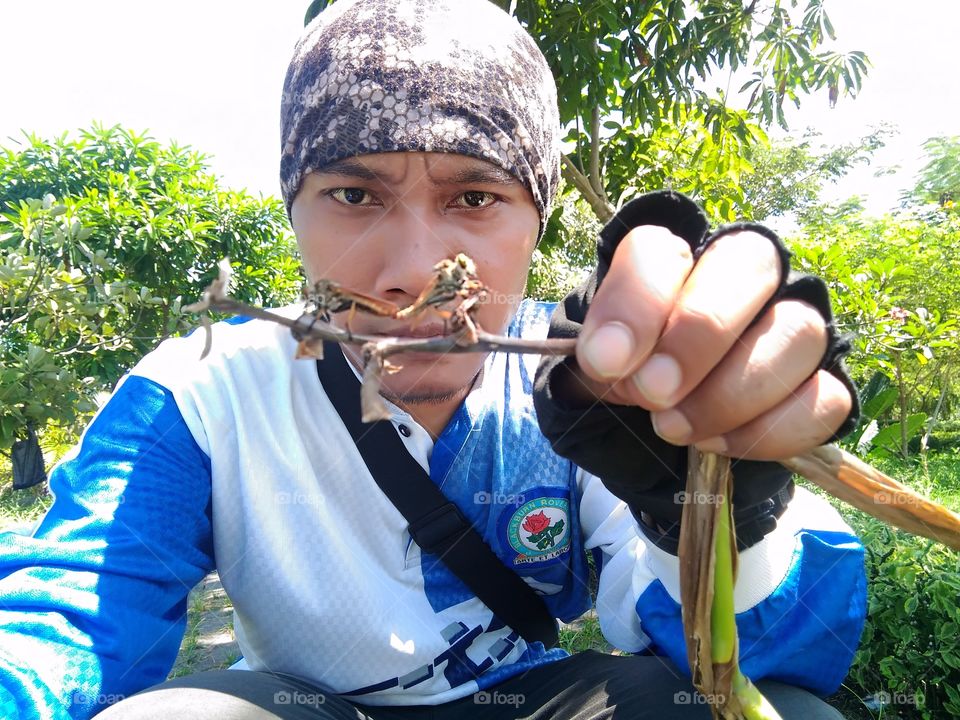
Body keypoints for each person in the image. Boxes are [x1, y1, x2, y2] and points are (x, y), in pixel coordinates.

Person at [0, 1, 867, 718]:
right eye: (353, 193)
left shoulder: (589, 383)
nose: (414, 267)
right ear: (293, 210)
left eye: (476, 196)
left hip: (533, 700)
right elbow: (68, 618)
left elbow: (776, 661)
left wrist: (716, 506)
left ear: (538, 220)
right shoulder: (201, 390)